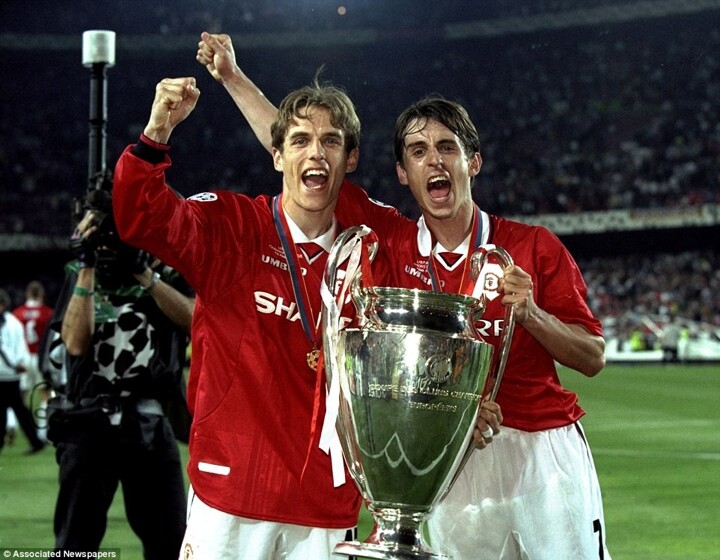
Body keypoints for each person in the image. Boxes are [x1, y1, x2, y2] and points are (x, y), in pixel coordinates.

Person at [198, 32, 611, 560]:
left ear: (473, 162)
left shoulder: (533, 246)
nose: (434, 162)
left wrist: (531, 314)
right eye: (418, 152)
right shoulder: (389, 241)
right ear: (402, 173)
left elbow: (592, 357)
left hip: (542, 453)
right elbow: (304, 155)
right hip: (452, 454)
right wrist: (233, 78)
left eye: (447, 148)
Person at [111, 71, 504, 560]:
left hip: (327, 501)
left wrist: (460, 401)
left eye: (331, 142)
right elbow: (140, 216)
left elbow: (440, 293)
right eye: (299, 141)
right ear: (277, 155)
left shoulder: (374, 242)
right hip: (233, 493)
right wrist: (157, 133)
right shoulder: (231, 226)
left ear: (350, 159)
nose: (316, 153)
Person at [48, 210, 192, 559]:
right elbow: (75, 343)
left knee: (170, 542)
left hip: (148, 422)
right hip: (88, 421)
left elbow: (194, 319)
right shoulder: (81, 273)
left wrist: (144, 273)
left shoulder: (166, 272)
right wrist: (86, 266)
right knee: (75, 545)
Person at [1, 287, 46, 455]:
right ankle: (37, 437)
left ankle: (24, 435)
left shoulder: (18, 315)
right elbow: (22, 344)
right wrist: (21, 362)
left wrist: (15, 364)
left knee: (16, 406)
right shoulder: (15, 320)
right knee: (20, 406)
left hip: (6, 371)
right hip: (29, 362)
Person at [13, 280, 54, 441]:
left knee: (18, 396)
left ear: (27, 294)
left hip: (23, 358)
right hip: (41, 358)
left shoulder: (18, 313)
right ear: (42, 294)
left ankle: (11, 426)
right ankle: (42, 432)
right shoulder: (48, 313)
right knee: (45, 394)